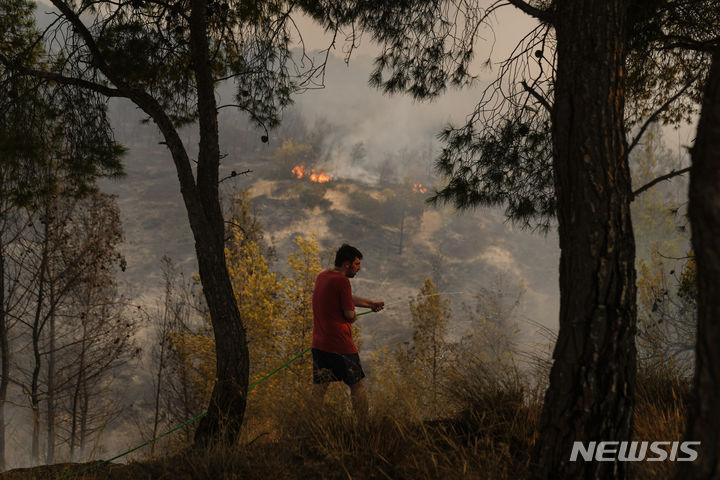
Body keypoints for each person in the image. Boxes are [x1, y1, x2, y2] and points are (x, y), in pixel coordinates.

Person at [311, 244, 384, 417]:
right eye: (357, 264)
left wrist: (370, 304)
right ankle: (363, 425)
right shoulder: (343, 281)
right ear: (347, 264)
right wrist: (352, 316)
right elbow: (349, 313)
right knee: (357, 387)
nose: (359, 268)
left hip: (320, 345)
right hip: (341, 346)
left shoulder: (323, 276)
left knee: (319, 390)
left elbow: (344, 298)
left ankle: (309, 426)